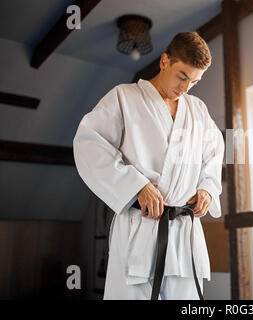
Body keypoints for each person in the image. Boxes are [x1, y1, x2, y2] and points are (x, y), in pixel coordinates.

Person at [73, 31, 225, 300]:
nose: (186, 88)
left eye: (195, 81)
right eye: (182, 76)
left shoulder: (197, 109)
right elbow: (88, 144)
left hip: (183, 231)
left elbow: (214, 153)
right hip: (140, 227)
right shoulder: (124, 98)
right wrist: (136, 185)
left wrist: (208, 189)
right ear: (165, 61)